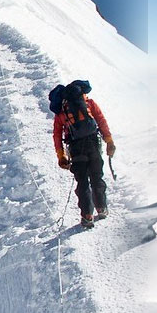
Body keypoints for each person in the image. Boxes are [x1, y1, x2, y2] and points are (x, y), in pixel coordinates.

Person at [52, 80, 116, 228]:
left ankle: (87, 216)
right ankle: (101, 208)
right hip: (93, 142)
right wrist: (109, 140)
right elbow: (101, 120)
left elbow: (57, 134)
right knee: (96, 176)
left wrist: (61, 155)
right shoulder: (89, 103)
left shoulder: (61, 111)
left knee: (82, 181)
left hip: (75, 147)